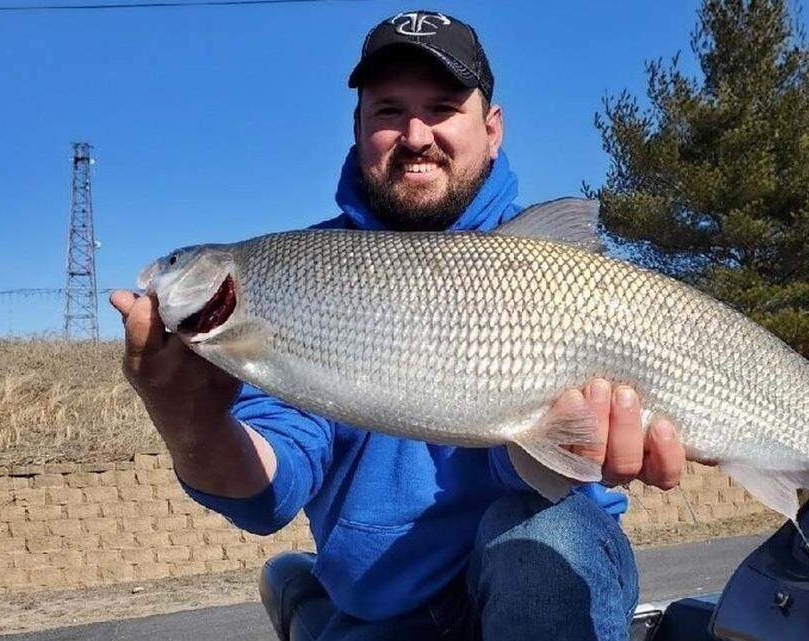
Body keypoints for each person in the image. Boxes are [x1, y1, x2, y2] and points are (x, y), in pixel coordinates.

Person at [110, 10, 686, 641]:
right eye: (388, 111)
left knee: (545, 534)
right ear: (358, 129)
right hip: (386, 609)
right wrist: (187, 417)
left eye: (442, 107)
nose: (416, 135)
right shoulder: (295, 276)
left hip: (555, 577)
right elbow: (264, 495)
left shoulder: (566, 272)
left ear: (492, 130)